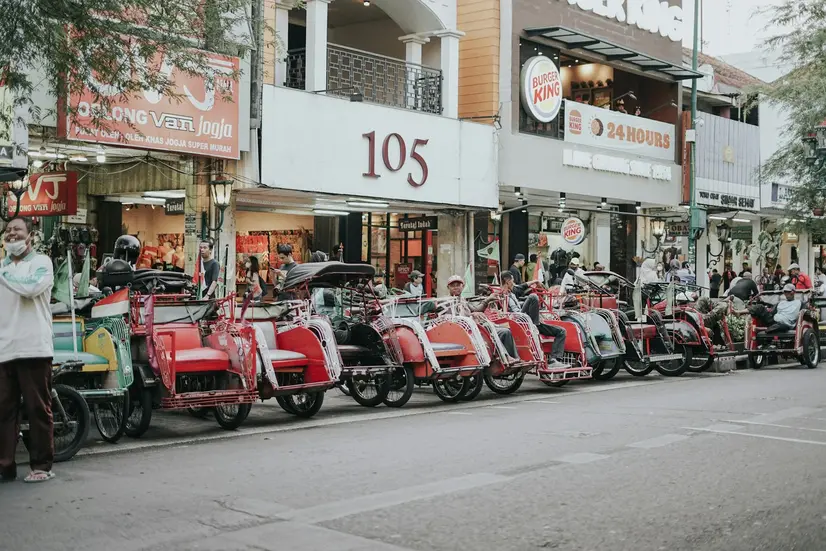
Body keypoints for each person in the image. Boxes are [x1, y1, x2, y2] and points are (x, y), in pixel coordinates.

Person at [0, 217, 56, 483]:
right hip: (4, 349)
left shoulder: (41, 263)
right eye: (8, 230)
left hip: (34, 347)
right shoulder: (2, 267)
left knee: (37, 408)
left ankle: (41, 465)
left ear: (30, 236)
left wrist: (2, 272)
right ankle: (5, 466)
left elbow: (30, 289)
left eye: (17, 230)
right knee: (3, 410)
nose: (12, 234)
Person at [499, 271, 566, 366]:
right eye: (512, 281)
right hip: (519, 319)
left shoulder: (513, 291)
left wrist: (534, 282)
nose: (514, 283)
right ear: (507, 281)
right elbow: (514, 311)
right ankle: (536, 324)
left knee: (561, 331)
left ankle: (555, 359)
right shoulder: (503, 294)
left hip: (528, 319)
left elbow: (522, 287)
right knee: (533, 296)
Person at [446, 275, 518, 359]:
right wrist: (472, 316)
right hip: (464, 332)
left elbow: (475, 309)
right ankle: (505, 357)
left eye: (458, 285)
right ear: (448, 287)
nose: (455, 287)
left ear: (463, 286)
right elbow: (453, 319)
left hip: (475, 328)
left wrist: (488, 300)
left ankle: (515, 359)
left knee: (505, 332)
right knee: (489, 330)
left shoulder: (462, 300)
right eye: (452, 286)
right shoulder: (447, 302)